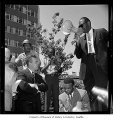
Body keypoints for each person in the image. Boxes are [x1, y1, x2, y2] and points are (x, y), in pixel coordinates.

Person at [74, 17, 108, 111]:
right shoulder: (81, 40)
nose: (81, 27)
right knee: (91, 96)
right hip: (87, 70)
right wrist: (77, 42)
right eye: (79, 26)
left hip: (100, 67)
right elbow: (78, 55)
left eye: (82, 24)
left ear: (88, 23)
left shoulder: (101, 32)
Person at [41, 47, 62, 112]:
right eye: (50, 52)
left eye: (53, 52)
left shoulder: (57, 60)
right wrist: (48, 63)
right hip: (48, 78)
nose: (51, 53)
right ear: (47, 53)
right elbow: (42, 70)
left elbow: (60, 70)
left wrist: (56, 62)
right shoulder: (44, 59)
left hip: (55, 78)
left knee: (56, 98)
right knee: (47, 97)